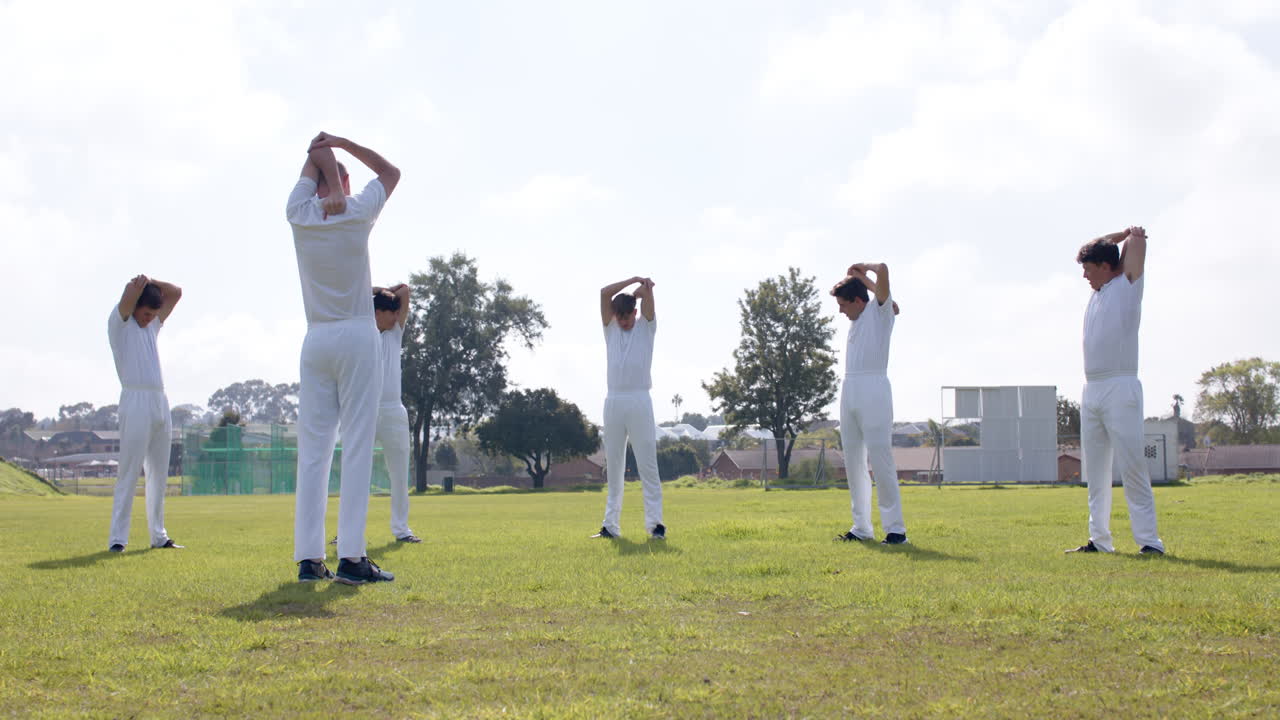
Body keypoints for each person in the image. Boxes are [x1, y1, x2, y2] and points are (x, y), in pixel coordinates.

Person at [287, 131, 401, 584]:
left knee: (313, 452)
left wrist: (324, 164)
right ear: (345, 182)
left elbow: (312, 158)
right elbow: (392, 173)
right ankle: (352, 557)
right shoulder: (356, 211)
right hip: (356, 334)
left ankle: (309, 559)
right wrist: (342, 144)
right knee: (356, 444)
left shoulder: (298, 213)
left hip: (315, 339)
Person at [1067, 226, 1165, 555]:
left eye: (1088, 269)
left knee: (1132, 465)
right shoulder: (1097, 294)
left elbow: (1137, 243)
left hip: (1121, 386)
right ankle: (1099, 539)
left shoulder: (1127, 286)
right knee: (1095, 471)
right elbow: (1100, 249)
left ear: (1107, 267)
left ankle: (1150, 542)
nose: (1084, 276)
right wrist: (1115, 236)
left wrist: (1129, 235)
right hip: (1091, 389)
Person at [831, 264, 907, 545]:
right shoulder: (857, 321)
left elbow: (886, 278)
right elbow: (890, 302)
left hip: (874, 389)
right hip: (849, 388)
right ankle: (861, 528)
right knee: (853, 461)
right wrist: (859, 279)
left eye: (843, 305)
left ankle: (896, 530)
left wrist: (867, 272)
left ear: (858, 301)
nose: (841, 311)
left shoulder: (879, 315)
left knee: (880, 459)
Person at [107, 274, 183, 552]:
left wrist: (151, 281)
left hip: (159, 401)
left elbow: (176, 292)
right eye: (146, 312)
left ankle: (159, 536)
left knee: (158, 473)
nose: (150, 318)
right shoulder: (121, 325)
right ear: (136, 307)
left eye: (154, 314)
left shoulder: (151, 327)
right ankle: (118, 539)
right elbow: (128, 295)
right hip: (135, 399)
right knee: (129, 472)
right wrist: (137, 286)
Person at [593, 277, 665, 540]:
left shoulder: (646, 327)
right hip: (613, 400)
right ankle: (610, 527)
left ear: (635, 313)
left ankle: (655, 525)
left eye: (627, 315)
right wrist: (633, 281)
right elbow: (603, 292)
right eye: (619, 316)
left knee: (648, 465)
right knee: (613, 467)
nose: (623, 321)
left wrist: (642, 290)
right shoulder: (610, 329)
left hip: (639, 400)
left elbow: (648, 298)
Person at [372, 284, 420, 544]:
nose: (396, 317)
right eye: (391, 312)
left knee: (399, 474)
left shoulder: (394, 334)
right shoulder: (363, 332)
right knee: (355, 471)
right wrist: (373, 295)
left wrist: (381, 291)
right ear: (378, 313)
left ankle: (401, 530)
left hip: (393, 410)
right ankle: (347, 532)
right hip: (364, 410)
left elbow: (404, 290)